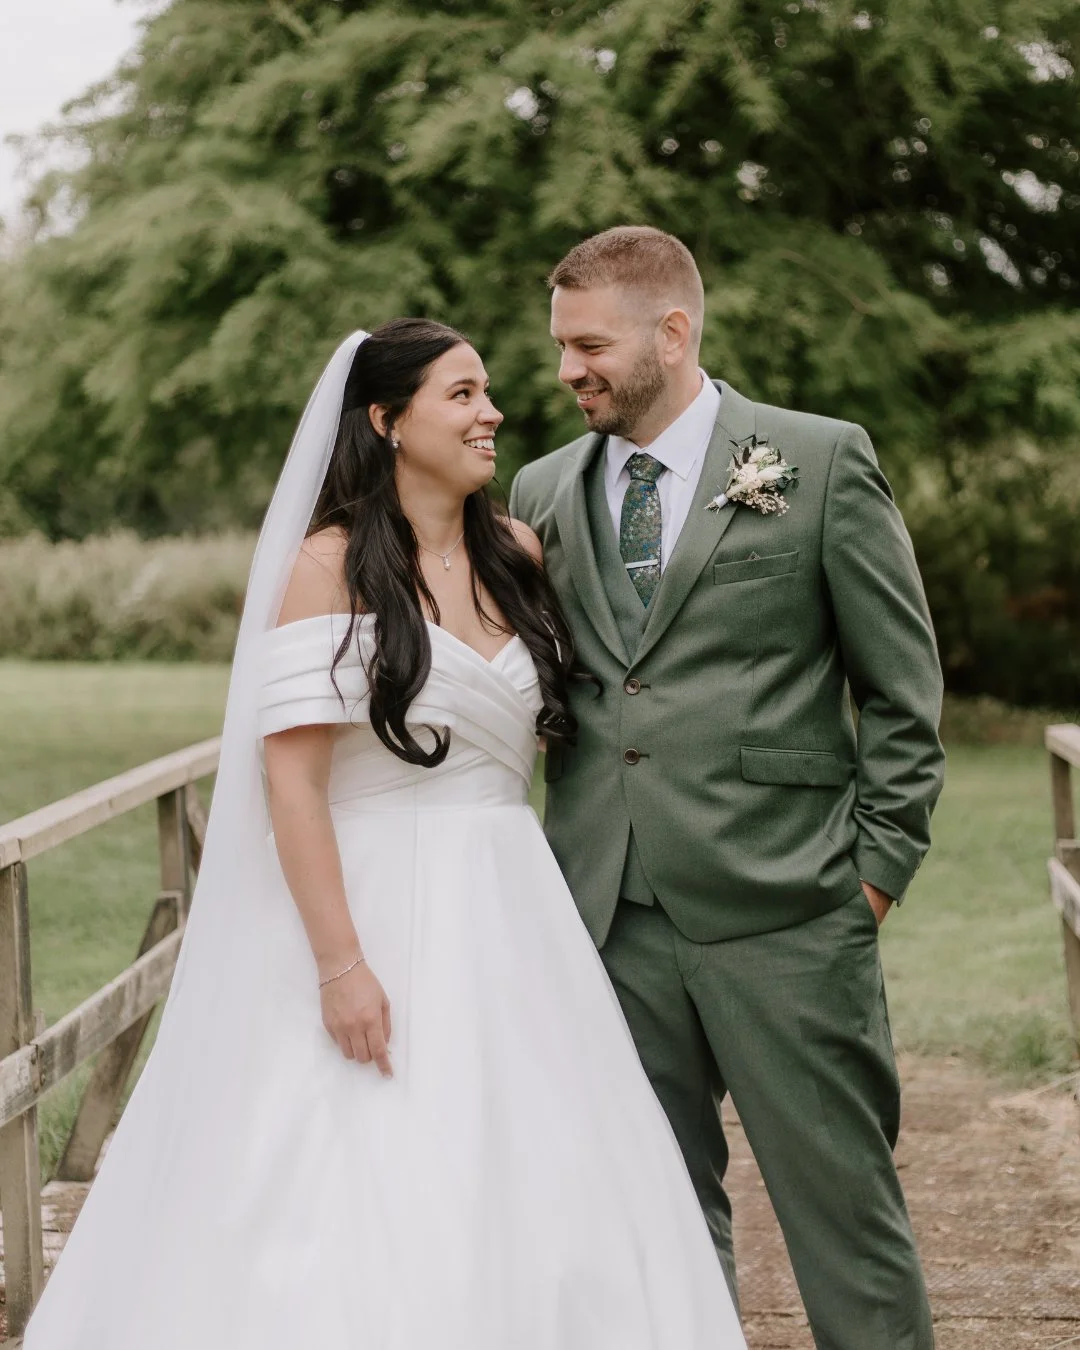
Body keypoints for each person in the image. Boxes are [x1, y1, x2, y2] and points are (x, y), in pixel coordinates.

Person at [22, 319, 746, 1350]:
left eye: (487, 390)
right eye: (460, 394)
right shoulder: (328, 568)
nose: (491, 411)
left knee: (533, 1154)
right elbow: (294, 788)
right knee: (353, 1166)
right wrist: (340, 967)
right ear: (386, 420)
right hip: (366, 902)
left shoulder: (518, 552)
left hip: (512, 906)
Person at [509, 226, 946, 1350]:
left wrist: (874, 879)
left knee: (845, 1216)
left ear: (674, 331)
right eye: (560, 346)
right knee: (653, 1222)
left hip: (791, 910)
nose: (567, 371)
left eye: (590, 345)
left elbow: (903, 693)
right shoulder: (544, 488)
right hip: (610, 911)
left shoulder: (819, 457)